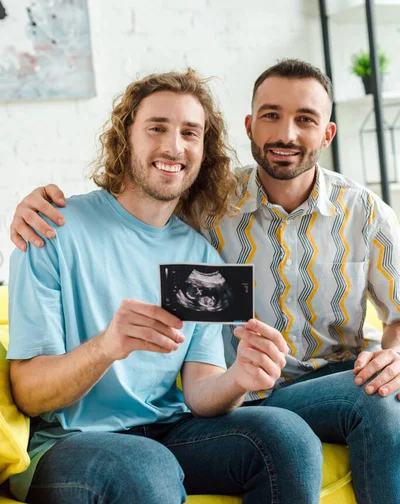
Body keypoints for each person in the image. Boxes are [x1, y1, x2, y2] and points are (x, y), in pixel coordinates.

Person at [11, 60, 400, 503]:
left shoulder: (199, 252)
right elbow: (28, 394)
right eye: (156, 127)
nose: (174, 146)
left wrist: (239, 376)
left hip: (172, 427)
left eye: (190, 133)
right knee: (146, 465)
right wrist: (107, 346)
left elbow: (200, 390)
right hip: (71, 441)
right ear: (125, 137)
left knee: (287, 438)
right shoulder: (51, 228)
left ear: (204, 149)